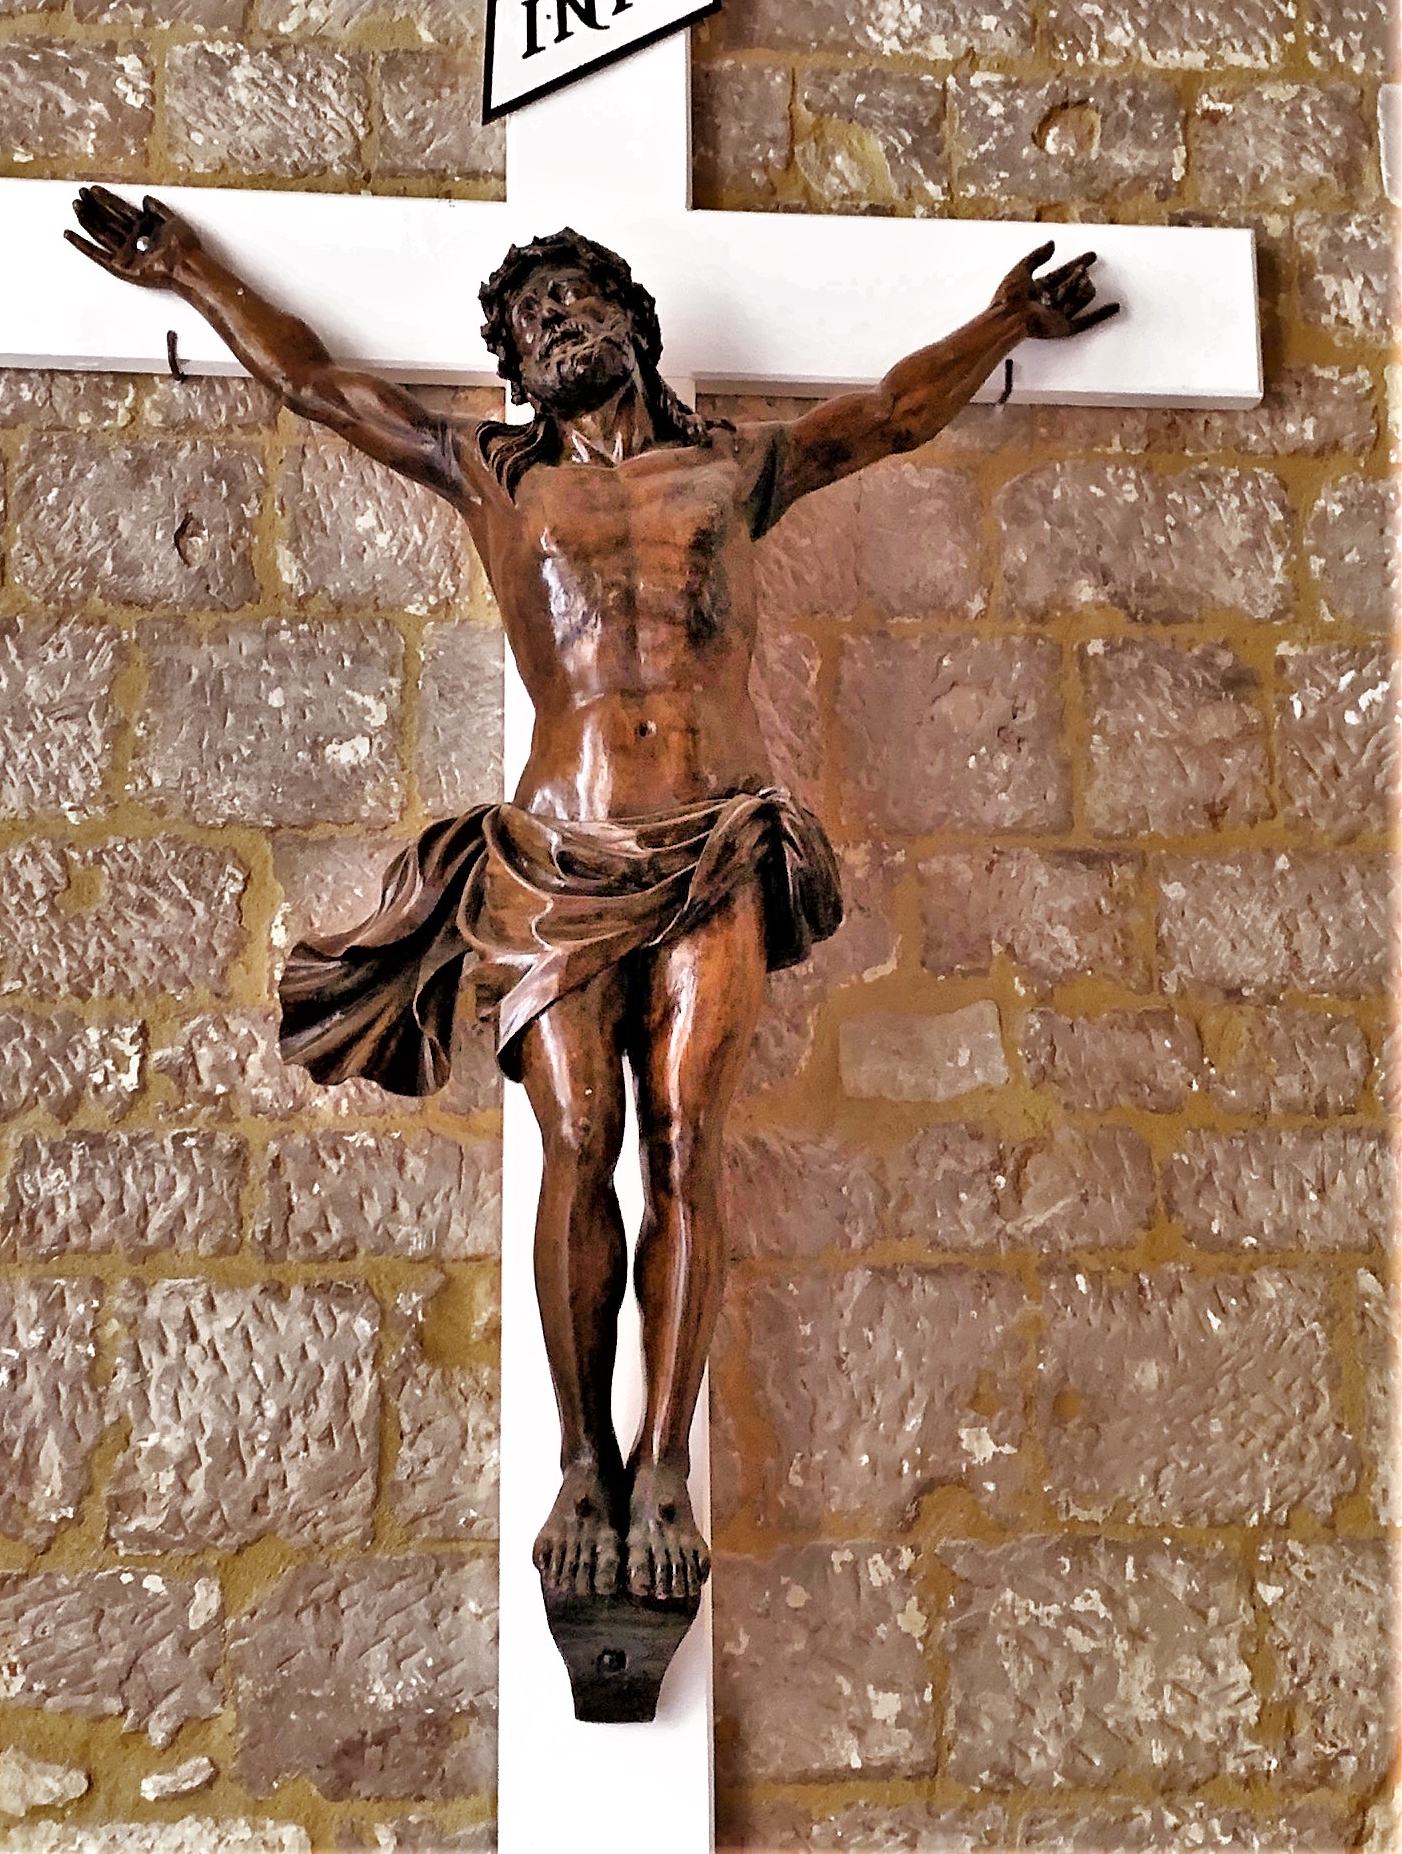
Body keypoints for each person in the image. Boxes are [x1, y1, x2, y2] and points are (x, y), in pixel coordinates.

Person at [67, 188, 1118, 1606]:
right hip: (558, 855)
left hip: (712, 842)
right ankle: (581, 1459)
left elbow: (888, 415)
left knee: (688, 1138)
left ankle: (665, 1463)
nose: (554, 323)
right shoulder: (492, 474)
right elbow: (315, 382)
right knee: (579, 1133)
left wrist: (1004, 324)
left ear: (634, 321)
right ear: (512, 365)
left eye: (575, 299)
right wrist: (190, 266)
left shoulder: (734, 469)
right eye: (528, 319)